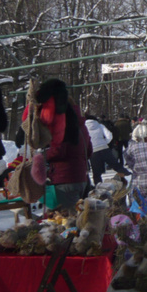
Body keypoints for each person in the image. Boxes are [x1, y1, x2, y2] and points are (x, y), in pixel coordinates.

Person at [36, 79, 92, 211]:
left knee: (70, 220)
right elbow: (89, 151)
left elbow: (59, 149)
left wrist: (44, 155)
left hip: (65, 177)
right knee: (80, 216)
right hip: (81, 176)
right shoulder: (82, 126)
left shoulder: (65, 123)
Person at [85, 114, 130, 186]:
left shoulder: (83, 127)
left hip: (93, 151)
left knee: (96, 172)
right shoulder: (100, 125)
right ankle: (125, 173)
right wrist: (105, 142)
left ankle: (98, 186)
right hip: (104, 148)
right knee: (114, 163)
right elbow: (109, 135)